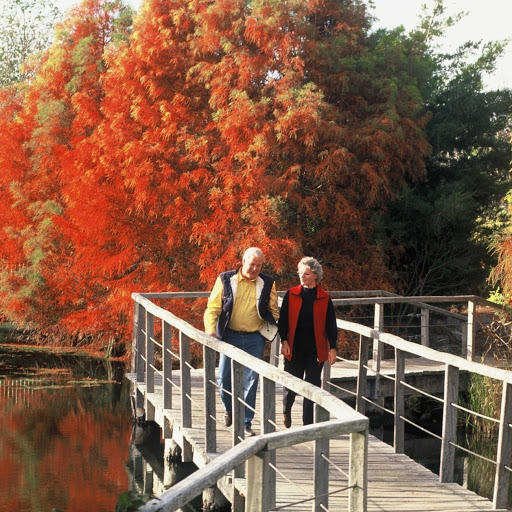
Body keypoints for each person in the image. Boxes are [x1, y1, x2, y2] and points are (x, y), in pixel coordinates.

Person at [204, 247, 279, 437]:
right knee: (223, 378)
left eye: (258, 265)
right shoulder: (225, 279)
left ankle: (245, 422)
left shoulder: (268, 283)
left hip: (255, 338)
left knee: (251, 380)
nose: (254, 268)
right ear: (243, 261)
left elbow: (274, 310)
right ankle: (229, 409)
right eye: (252, 264)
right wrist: (210, 330)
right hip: (230, 335)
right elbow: (212, 308)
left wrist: (274, 330)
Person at [278, 256, 337, 428]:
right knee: (292, 384)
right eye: (300, 273)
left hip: (315, 350)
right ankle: (286, 410)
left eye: (306, 273)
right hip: (294, 347)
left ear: (316, 275)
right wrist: (284, 341)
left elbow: (331, 324)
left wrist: (332, 347)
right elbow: (283, 321)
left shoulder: (324, 298)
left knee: (311, 387)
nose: (302, 276)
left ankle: (308, 425)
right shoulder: (292, 294)